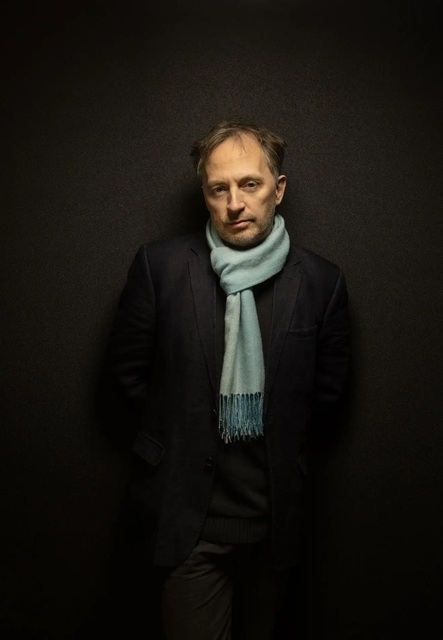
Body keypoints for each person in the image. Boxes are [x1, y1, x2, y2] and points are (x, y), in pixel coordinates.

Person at [108, 121, 350, 639]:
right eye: (219, 189)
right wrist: (179, 433)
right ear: (205, 195)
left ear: (277, 189)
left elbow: (328, 396)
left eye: (250, 184)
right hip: (187, 522)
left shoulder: (321, 282)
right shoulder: (160, 267)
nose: (234, 203)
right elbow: (127, 377)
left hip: (275, 524)